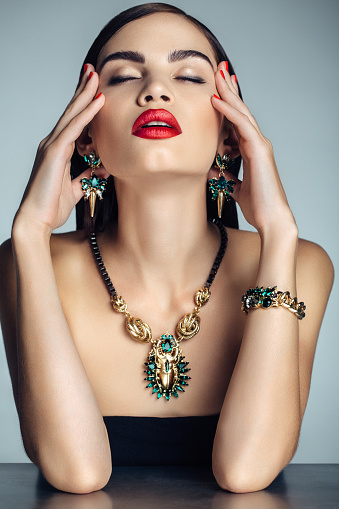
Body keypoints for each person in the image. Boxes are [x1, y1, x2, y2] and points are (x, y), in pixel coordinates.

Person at [0, 2, 334, 496]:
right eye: (125, 76)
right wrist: (30, 232)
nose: (155, 90)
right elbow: (77, 473)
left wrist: (278, 232)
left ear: (229, 132)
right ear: (85, 131)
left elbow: (247, 470)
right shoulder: (24, 260)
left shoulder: (297, 262)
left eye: (190, 77)